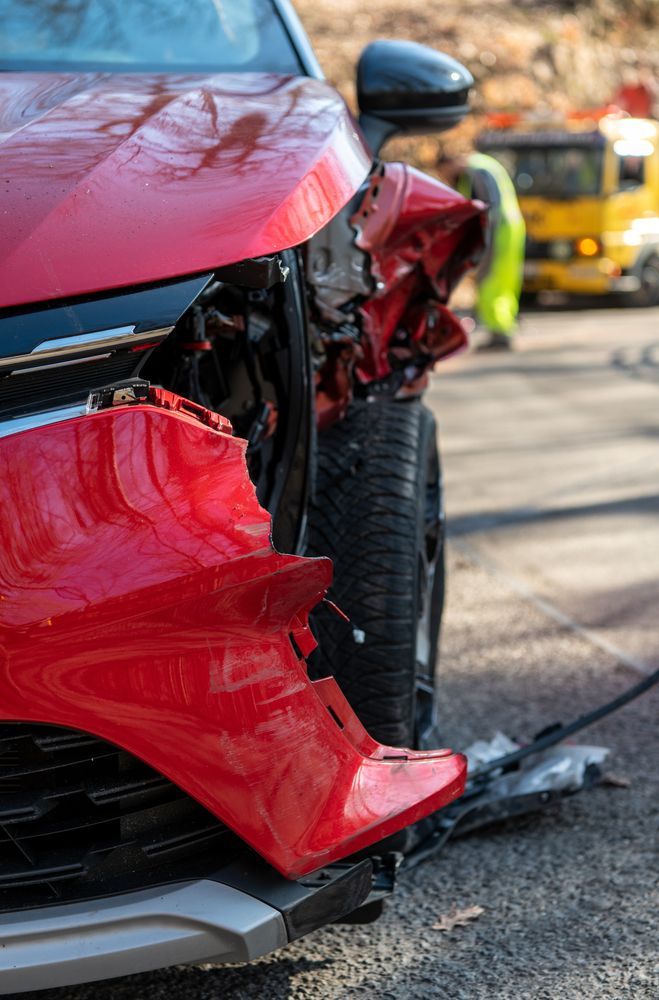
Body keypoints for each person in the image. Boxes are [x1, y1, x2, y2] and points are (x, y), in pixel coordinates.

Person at [438, 150, 526, 349]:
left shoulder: (475, 171)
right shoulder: (485, 164)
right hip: (510, 227)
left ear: (452, 162)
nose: (447, 177)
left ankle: (499, 332)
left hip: (498, 230)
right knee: (504, 281)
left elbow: (485, 210)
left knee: (490, 280)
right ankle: (504, 327)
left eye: (445, 172)